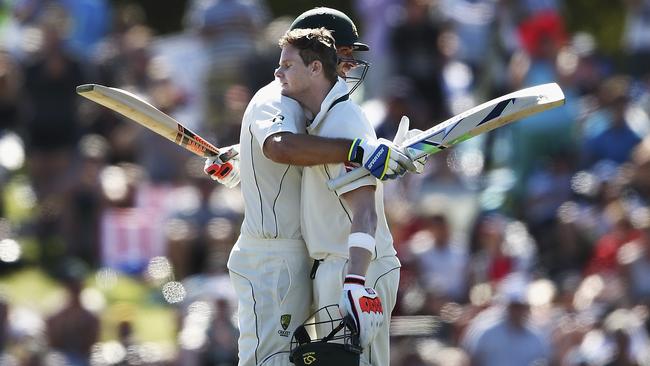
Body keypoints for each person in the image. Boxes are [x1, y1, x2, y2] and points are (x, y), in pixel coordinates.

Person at [203, 7, 419, 366]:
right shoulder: (281, 98)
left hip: (338, 263)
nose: (348, 65)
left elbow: (358, 201)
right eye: (344, 54)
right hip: (284, 259)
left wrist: (354, 279)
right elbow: (282, 147)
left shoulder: (332, 111)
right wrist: (247, 160)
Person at [275, 27, 406, 366]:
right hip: (336, 266)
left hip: (358, 266)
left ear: (315, 68)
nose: (278, 73)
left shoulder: (342, 121)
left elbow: (365, 209)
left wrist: (356, 282)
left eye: (287, 65)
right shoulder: (319, 120)